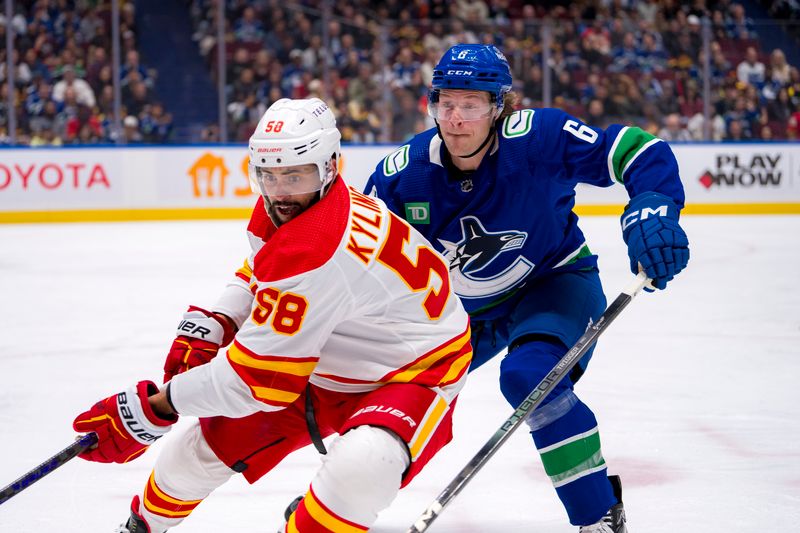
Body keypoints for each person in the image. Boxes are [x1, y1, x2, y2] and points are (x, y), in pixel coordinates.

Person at [71, 98, 472, 532]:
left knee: (362, 467)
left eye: (295, 175)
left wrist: (152, 409)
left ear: (331, 167)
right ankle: (141, 527)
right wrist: (220, 318)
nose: (279, 191)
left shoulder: (318, 247)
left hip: (414, 372)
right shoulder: (301, 206)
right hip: (328, 354)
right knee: (199, 450)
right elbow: (262, 271)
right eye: (269, 174)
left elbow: (252, 381)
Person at [361, 44, 690, 532]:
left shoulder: (540, 138)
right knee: (384, 390)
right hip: (458, 310)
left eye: (470, 105)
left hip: (553, 282)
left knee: (530, 375)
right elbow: (360, 257)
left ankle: (597, 512)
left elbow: (639, 150)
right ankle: (340, 501)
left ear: (499, 107)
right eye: (445, 103)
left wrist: (654, 202)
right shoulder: (403, 174)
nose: (454, 119)